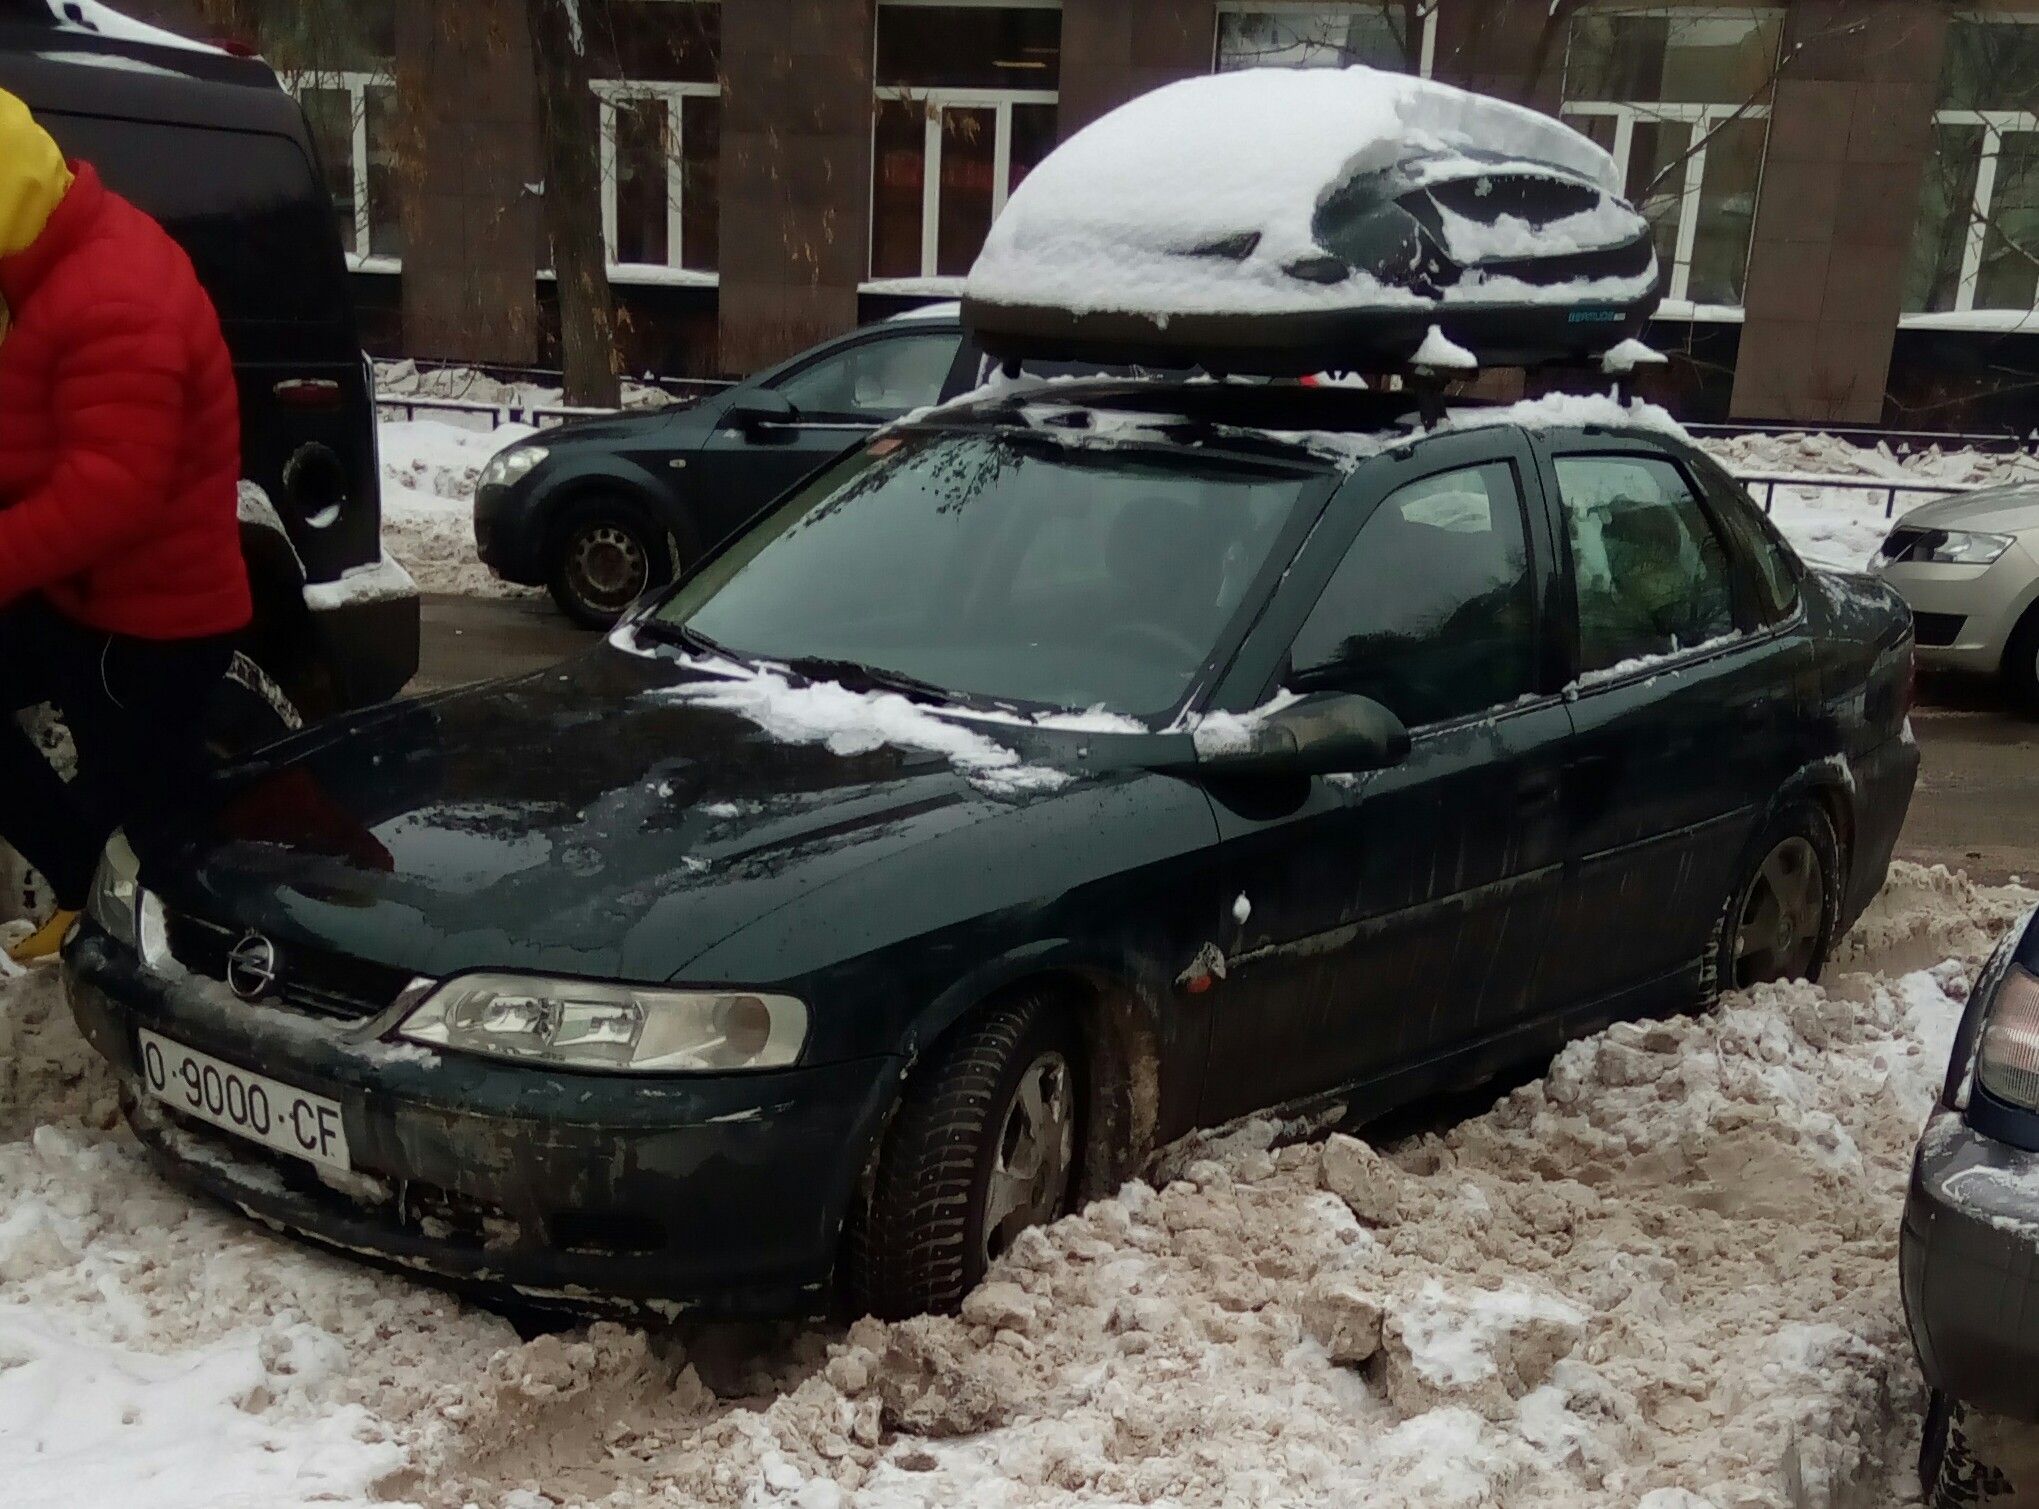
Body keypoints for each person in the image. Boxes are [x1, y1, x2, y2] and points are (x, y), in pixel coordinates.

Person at [0, 88, 250, 961]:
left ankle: (204, 992)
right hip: (90, 602)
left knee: (159, 839)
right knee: (130, 819)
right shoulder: (44, 266)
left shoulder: (112, 295)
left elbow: (111, 492)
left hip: (146, 630)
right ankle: (91, 892)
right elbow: (38, 419)